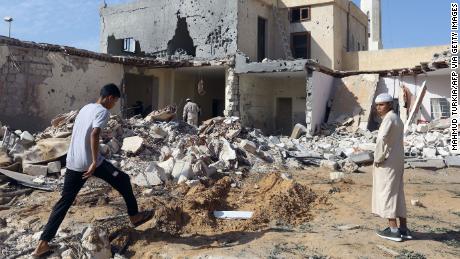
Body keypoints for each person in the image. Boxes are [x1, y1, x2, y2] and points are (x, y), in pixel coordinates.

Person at [32, 84, 153, 257]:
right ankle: (134, 216)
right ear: (110, 98)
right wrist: (94, 161)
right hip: (90, 163)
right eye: (115, 101)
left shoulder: (85, 108)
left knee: (64, 202)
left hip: (73, 161)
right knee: (123, 180)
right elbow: (95, 134)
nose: (114, 105)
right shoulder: (103, 112)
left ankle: (42, 244)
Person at [372, 93, 412, 242]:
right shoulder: (397, 119)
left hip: (387, 163)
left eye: (381, 105)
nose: (378, 108)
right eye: (377, 105)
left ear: (389, 105)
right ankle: (403, 228)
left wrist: (378, 158)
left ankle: (394, 230)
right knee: (397, 194)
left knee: (387, 194)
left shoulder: (388, 119)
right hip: (397, 161)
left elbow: (382, 140)